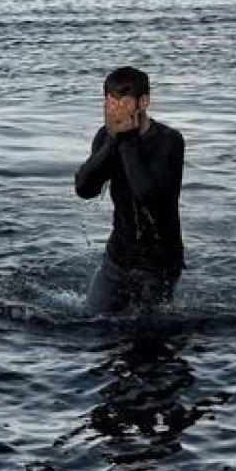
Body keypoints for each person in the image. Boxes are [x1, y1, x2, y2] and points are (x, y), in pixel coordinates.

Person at [75, 66, 185, 313]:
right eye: (110, 101)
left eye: (123, 101)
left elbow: (146, 193)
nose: (115, 109)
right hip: (117, 258)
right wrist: (113, 141)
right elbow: (84, 188)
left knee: (145, 338)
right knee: (92, 320)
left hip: (159, 264)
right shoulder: (105, 136)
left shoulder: (169, 140)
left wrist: (128, 139)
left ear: (143, 101)